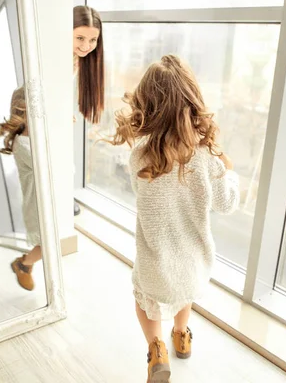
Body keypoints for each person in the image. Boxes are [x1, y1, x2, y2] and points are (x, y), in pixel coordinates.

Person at [108, 55, 240, 382]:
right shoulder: (207, 155)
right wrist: (229, 172)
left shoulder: (140, 154)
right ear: (192, 101)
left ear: (147, 105)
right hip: (194, 265)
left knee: (144, 299)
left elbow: (144, 196)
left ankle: (157, 349)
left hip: (155, 263)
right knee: (184, 294)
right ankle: (182, 336)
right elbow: (227, 203)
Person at [0, 87, 40, 291]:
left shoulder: (37, 136)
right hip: (36, 202)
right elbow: (42, 165)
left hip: (46, 199)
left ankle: (24, 263)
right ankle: (24, 264)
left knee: (52, 242)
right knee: (47, 245)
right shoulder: (22, 143)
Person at [72, 5, 105, 216]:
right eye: (80, 38)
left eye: (93, 40)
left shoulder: (79, 60)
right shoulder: (55, 57)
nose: (87, 46)